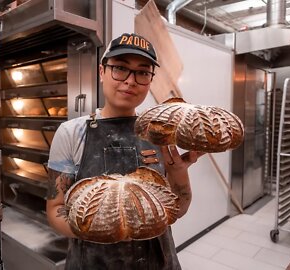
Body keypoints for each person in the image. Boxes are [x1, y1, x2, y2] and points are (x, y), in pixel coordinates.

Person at [46, 32, 203, 270]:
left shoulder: (158, 131)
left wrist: (179, 172)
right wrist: (101, 231)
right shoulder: (71, 133)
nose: (130, 81)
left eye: (142, 72)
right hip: (92, 262)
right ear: (102, 72)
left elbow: (177, 210)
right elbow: (54, 208)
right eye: (120, 68)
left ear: (150, 80)